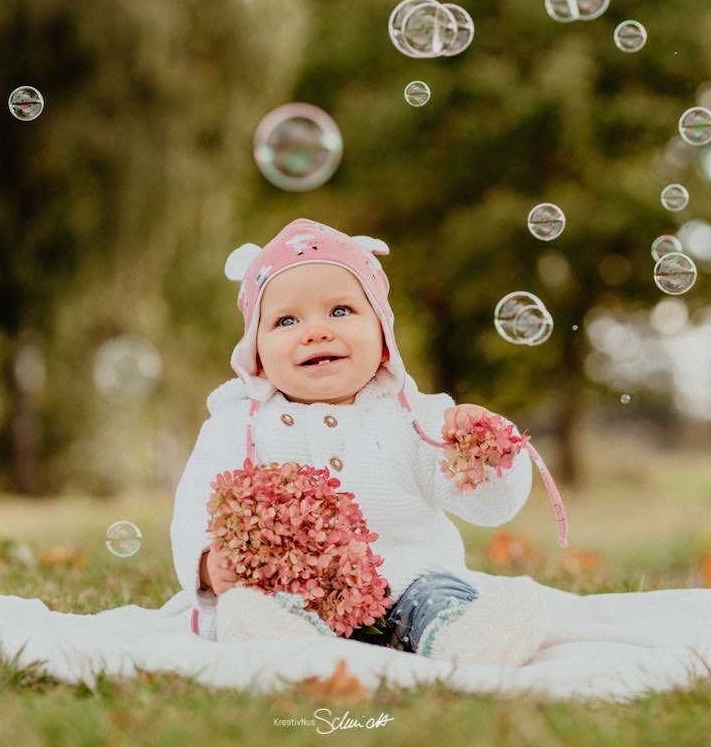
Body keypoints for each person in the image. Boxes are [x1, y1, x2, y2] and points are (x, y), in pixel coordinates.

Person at [170, 218, 548, 666]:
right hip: (296, 590)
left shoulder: (420, 417)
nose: (316, 331)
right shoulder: (236, 426)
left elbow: (491, 506)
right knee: (251, 605)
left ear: (384, 340)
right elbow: (195, 507)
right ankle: (290, 644)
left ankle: (467, 640)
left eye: (341, 311)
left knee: (437, 600)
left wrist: (486, 450)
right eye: (286, 320)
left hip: (410, 581)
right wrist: (207, 566)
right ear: (256, 355)